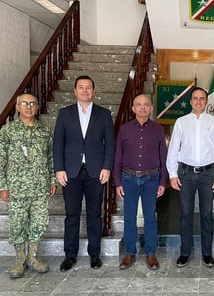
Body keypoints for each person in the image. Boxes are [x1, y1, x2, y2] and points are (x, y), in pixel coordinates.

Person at [53, 75, 115, 271]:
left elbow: (110, 144)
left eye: (88, 87)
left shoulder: (104, 114)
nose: (85, 90)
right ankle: (69, 256)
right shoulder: (65, 113)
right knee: (72, 215)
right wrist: (59, 169)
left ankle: (94, 255)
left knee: (94, 215)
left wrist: (107, 167)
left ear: (94, 91)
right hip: (70, 172)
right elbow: (58, 144)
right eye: (81, 87)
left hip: (96, 172)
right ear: (75, 91)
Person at [166, 87, 214, 268]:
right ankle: (185, 252)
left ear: (206, 102)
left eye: (202, 99)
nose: (198, 101)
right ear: (190, 102)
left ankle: (207, 253)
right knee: (185, 214)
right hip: (186, 174)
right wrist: (172, 174)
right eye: (195, 99)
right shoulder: (181, 122)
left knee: (207, 214)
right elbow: (173, 149)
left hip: (208, 174)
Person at [0, 93, 57, 279]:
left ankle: (33, 257)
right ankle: (19, 260)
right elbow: (1, 160)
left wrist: (52, 180)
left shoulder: (45, 131)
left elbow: (50, 158)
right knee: (18, 224)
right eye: (24, 103)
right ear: (17, 107)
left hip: (40, 187)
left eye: (32, 103)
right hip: (17, 187)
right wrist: (3, 185)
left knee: (39, 223)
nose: (29, 106)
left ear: (37, 107)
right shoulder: (7, 131)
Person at [113, 94, 167, 270]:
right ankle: (130, 253)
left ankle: (151, 254)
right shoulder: (124, 129)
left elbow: (163, 157)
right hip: (128, 179)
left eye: (146, 105)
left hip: (151, 179)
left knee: (150, 218)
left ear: (151, 108)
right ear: (133, 108)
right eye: (138, 104)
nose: (142, 107)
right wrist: (118, 182)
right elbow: (118, 157)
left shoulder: (158, 129)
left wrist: (162, 181)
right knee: (129, 217)